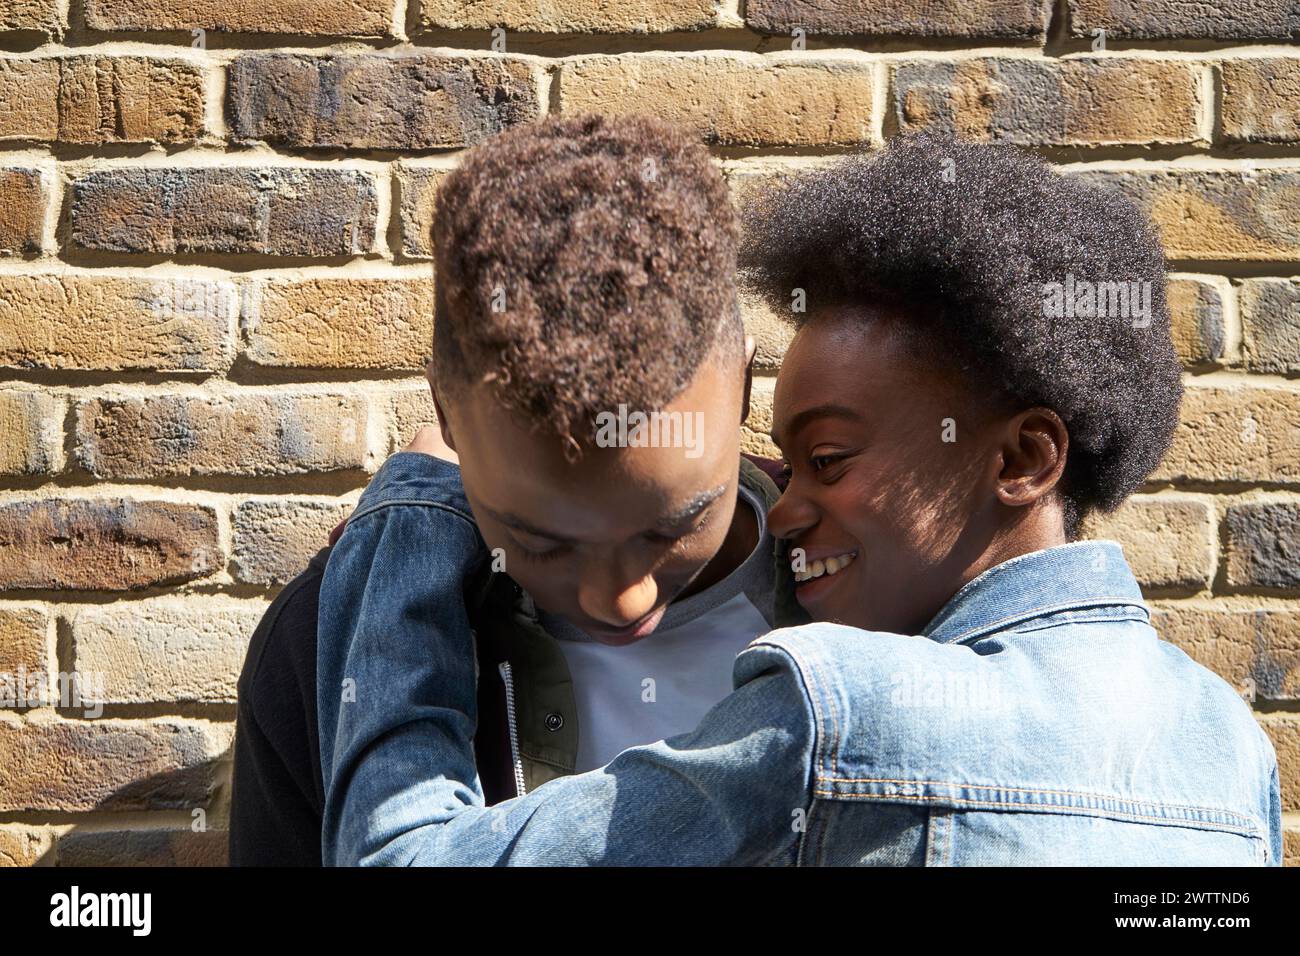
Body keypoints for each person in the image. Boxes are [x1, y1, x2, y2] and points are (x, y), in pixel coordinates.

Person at [317, 132, 1282, 866]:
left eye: (827, 458)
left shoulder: (848, 710)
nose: (780, 508)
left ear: (1024, 458)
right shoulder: (1232, 749)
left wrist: (414, 508)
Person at [228, 114, 804, 865]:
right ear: (446, 417)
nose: (620, 600)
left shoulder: (880, 571)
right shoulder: (326, 645)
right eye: (541, 541)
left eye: (671, 528)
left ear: (744, 390)